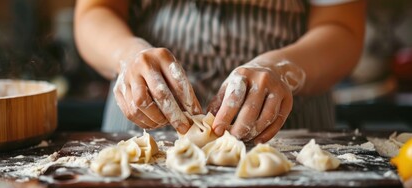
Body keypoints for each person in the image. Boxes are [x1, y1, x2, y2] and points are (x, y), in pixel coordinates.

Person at [74, 0, 365, 143]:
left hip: (285, 127)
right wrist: (126, 55)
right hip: (143, 121)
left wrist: (281, 68)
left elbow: (342, 28)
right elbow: (95, 10)